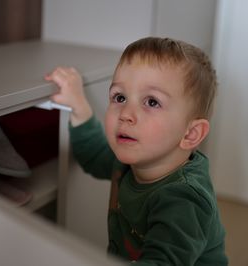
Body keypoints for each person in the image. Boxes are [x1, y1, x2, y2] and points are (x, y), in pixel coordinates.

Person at [45, 37, 227, 265]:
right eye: (119, 97)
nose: (125, 113)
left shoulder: (185, 200)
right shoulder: (131, 161)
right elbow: (94, 156)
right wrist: (79, 107)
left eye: (151, 102)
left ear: (190, 134)